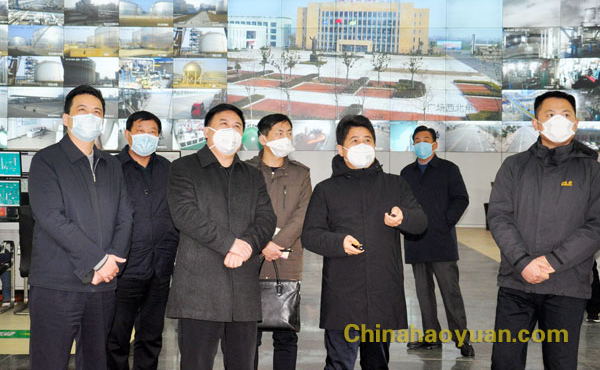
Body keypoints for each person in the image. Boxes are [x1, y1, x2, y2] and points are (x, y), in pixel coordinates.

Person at [301, 115, 427, 370]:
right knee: (339, 363)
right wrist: (338, 242)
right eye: (355, 140)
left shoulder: (394, 185)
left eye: (367, 140)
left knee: (377, 363)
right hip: (343, 294)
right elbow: (310, 235)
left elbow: (421, 223)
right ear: (341, 149)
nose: (362, 145)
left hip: (382, 290)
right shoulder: (326, 190)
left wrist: (404, 217)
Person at [488, 90, 600, 370]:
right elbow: (499, 217)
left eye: (566, 114)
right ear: (536, 123)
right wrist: (523, 262)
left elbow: (596, 226)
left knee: (560, 363)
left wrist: (552, 262)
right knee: (504, 362)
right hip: (516, 283)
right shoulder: (514, 166)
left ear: (576, 122)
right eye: (550, 115)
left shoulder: (592, 171)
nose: (558, 120)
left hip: (567, 286)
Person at [28, 85, 134, 370]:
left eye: (97, 112)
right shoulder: (46, 161)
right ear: (66, 118)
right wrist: (98, 261)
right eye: (82, 110)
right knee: (49, 362)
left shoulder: (112, 165)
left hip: (102, 288)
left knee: (97, 362)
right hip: (57, 285)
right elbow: (52, 218)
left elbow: (125, 217)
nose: (91, 117)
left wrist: (111, 264)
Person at [167, 103, 277, 370]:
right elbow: (185, 214)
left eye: (237, 126)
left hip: (243, 287)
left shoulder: (252, 175)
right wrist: (231, 244)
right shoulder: (183, 168)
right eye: (224, 124)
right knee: (196, 363)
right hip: (199, 288)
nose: (232, 131)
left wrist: (247, 246)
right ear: (207, 131)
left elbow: (266, 218)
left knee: (243, 363)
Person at [107, 111, 179, 370]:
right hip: (124, 269)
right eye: (140, 131)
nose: (147, 136)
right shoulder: (111, 168)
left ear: (159, 137)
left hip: (160, 268)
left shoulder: (169, 170)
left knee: (151, 336)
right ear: (128, 134)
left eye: (152, 132)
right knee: (116, 337)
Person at [400, 125, 474, 357]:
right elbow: (401, 203)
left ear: (434, 144)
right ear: (413, 144)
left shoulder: (449, 169)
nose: (421, 143)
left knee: (450, 293)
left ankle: (462, 340)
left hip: (442, 242)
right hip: (416, 242)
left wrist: (445, 222)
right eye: (417, 140)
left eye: (425, 139)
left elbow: (461, 198)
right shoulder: (406, 173)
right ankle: (431, 338)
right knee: (423, 294)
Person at [246, 114, 312, 370]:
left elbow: (303, 215)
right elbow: (240, 212)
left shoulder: (301, 173)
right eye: (279, 133)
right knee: (248, 335)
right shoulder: (245, 171)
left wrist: (277, 243)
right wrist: (262, 243)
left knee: (286, 332)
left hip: (287, 260)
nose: (286, 138)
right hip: (250, 258)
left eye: (289, 132)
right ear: (263, 139)